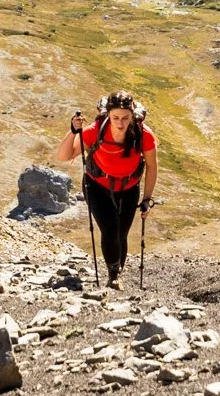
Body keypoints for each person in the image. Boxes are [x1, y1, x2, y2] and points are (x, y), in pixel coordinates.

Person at [55, 92, 157, 286]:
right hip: (96, 185)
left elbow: (152, 167)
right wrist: (73, 131)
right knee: (110, 229)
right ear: (108, 115)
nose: (120, 123)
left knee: (121, 234)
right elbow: (64, 156)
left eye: (125, 118)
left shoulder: (144, 135)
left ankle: (117, 270)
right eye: (116, 118)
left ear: (132, 115)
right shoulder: (96, 130)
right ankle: (114, 277)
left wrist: (147, 199)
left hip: (129, 187)